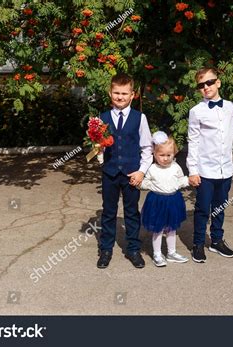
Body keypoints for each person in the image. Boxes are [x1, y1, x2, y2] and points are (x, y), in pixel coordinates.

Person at [187, 67, 233, 263]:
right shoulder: (196, 111)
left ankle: (216, 241)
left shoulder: (230, 107)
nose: (206, 87)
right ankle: (198, 243)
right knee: (202, 209)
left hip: (226, 168)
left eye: (209, 82)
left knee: (220, 207)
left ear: (218, 82)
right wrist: (192, 171)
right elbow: (192, 142)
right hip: (205, 170)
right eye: (201, 85)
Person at [97, 73, 153, 269]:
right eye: (116, 93)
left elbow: (147, 148)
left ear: (132, 95)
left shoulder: (140, 118)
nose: (120, 97)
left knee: (131, 212)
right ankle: (105, 249)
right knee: (109, 212)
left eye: (124, 93)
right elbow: (98, 147)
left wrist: (141, 172)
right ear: (110, 93)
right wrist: (99, 155)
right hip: (110, 173)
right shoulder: (102, 118)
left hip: (131, 174)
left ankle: (133, 248)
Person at [139, 131, 190, 267]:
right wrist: (139, 183)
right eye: (162, 155)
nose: (165, 158)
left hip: (173, 201)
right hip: (157, 202)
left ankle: (171, 253)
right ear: (155, 155)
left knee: (172, 229)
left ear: (174, 154)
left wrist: (188, 180)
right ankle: (157, 253)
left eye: (169, 155)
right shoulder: (152, 169)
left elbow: (179, 181)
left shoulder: (176, 167)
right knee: (158, 229)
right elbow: (145, 183)